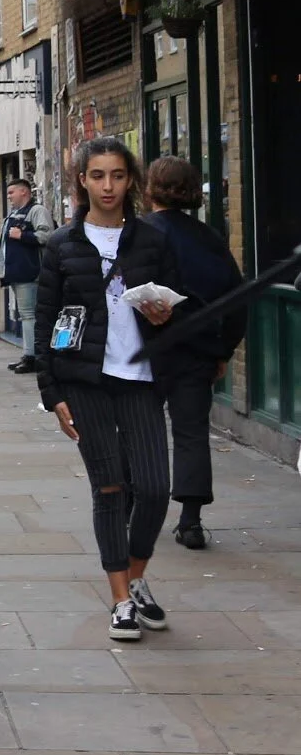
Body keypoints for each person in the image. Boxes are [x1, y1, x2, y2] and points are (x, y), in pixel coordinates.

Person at [35, 138, 182, 641]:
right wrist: (51, 392)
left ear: (130, 180)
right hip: (85, 382)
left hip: (140, 377)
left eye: (118, 176)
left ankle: (135, 576)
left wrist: (164, 316)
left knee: (156, 489)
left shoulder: (151, 242)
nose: (108, 186)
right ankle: (121, 600)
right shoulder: (61, 245)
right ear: (82, 180)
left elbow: (175, 313)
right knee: (111, 488)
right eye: (98, 176)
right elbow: (44, 322)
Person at [141, 156, 245, 550]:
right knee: (191, 434)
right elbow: (236, 301)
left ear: (150, 188)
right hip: (197, 352)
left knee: (140, 430)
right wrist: (224, 350)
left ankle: (137, 507)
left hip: (147, 351)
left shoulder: (138, 234)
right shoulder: (211, 239)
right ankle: (191, 520)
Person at [2, 177, 56, 374]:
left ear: (24, 192)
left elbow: (48, 235)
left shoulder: (36, 211)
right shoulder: (15, 214)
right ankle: (28, 354)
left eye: (11, 192)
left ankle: (31, 356)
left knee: (28, 316)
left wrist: (22, 236)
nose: (9, 197)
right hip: (18, 273)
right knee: (25, 315)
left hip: (30, 273)